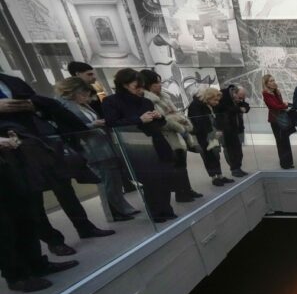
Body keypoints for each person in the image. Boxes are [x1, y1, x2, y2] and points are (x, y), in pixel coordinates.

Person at [0, 73, 116, 256]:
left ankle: (84, 226)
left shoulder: (11, 81)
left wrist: (32, 105)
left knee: (64, 187)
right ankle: (53, 241)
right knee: (34, 200)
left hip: (38, 142)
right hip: (10, 151)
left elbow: (44, 105)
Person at [0, 134, 78, 292]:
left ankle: (36, 265)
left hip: (7, 164)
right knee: (4, 228)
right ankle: (16, 276)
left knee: (25, 217)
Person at [55, 77, 139, 220]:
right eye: (83, 93)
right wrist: (93, 125)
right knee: (107, 181)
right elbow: (70, 129)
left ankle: (121, 208)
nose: (86, 96)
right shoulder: (65, 106)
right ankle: (115, 212)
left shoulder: (81, 105)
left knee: (113, 180)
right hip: (90, 148)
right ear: (73, 91)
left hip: (102, 145)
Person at [103, 68, 178, 223]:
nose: (140, 90)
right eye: (136, 86)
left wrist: (159, 117)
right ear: (124, 84)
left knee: (165, 176)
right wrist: (139, 119)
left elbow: (161, 122)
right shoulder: (111, 101)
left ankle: (166, 209)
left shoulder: (146, 101)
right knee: (150, 180)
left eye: (141, 86)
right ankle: (156, 212)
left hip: (157, 141)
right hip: (136, 145)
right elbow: (112, 123)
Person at [140, 70, 203, 203]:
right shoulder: (147, 100)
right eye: (156, 82)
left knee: (182, 165)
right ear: (148, 84)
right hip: (166, 137)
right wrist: (177, 122)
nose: (160, 85)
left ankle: (186, 189)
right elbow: (162, 120)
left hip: (177, 135)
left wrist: (179, 121)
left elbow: (173, 114)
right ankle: (181, 193)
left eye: (159, 82)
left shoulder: (164, 97)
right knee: (175, 167)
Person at [188, 87, 234, 187]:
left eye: (218, 100)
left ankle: (220, 176)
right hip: (203, 135)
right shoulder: (196, 105)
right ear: (208, 97)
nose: (217, 102)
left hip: (212, 133)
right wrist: (211, 132)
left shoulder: (207, 104)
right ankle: (214, 177)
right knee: (209, 156)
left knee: (215, 154)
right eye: (215, 100)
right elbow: (199, 123)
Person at [262, 74, 295, 169]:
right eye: (271, 81)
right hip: (275, 120)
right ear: (266, 83)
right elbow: (274, 106)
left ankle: (289, 162)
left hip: (281, 118)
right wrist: (285, 106)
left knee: (286, 140)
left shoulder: (275, 92)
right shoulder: (266, 94)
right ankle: (284, 163)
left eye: (273, 80)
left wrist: (278, 94)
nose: (273, 82)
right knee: (280, 142)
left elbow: (279, 103)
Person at [217, 85, 250, 178]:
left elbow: (245, 106)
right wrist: (239, 109)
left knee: (238, 150)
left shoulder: (237, 98)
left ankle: (238, 168)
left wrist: (244, 108)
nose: (240, 100)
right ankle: (234, 169)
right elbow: (225, 109)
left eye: (242, 98)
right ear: (234, 93)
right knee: (229, 149)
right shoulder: (222, 95)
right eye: (239, 98)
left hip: (236, 127)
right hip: (225, 128)